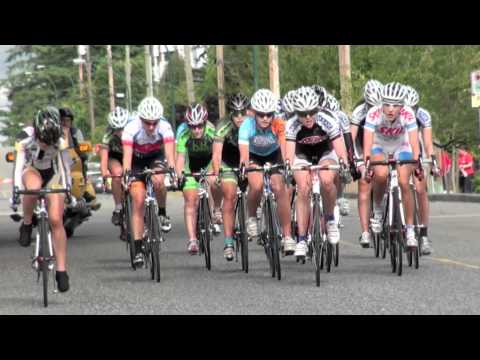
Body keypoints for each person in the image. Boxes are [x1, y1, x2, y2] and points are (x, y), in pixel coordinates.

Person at [11, 107, 72, 292]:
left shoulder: (60, 140)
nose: (46, 145)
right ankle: (27, 222)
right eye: (43, 141)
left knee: (55, 219)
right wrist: (15, 191)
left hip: (51, 173)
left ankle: (61, 271)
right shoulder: (24, 138)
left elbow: (64, 168)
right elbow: (18, 166)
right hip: (32, 169)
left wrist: (67, 188)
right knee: (33, 188)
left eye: (50, 141)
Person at [285, 86, 350, 258]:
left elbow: (339, 147)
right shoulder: (291, 124)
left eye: (312, 112)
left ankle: (330, 220)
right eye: (303, 113)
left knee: (327, 180)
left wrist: (343, 162)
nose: (307, 117)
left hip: (325, 152)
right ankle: (301, 239)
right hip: (301, 154)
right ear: (296, 112)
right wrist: (287, 167)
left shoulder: (327, 119)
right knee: (303, 189)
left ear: (318, 108)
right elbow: (289, 153)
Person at [364, 82, 421, 248]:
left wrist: (416, 162)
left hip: (401, 146)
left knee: (404, 182)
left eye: (395, 105)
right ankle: (378, 210)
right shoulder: (373, 113)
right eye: (387, 104)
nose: (390, 109)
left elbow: (414, 143)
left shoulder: (408, 114)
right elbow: (367, 142)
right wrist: (367, 161)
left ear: (402, 106)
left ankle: (410, 230)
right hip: (379, 146)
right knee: (381, 174)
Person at [238, 89, 295, 254]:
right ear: (254, 113)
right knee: (256, 185)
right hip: (254, 156)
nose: (265, 118)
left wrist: (287, 165)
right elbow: (244, 154)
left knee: (279, 188)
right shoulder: (246, 126)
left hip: (274, 154)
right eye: (261, 114)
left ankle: (287, 236)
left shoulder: (278, 123)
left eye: (269, 114)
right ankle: (251, 217)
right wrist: (245, 166)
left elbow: (284, 149)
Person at [122, 96, 176, 267]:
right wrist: (126, 175)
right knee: (138, 199)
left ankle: (161, 212)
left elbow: (169, 154)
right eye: (147, 123)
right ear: (140, 119)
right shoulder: (131, 128)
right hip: (136, 161)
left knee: (159, 179)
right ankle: (137, 249)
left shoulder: (166, 127)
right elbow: (127, 158)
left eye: (155, 122)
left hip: (155, 157)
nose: (152, 127)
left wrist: (173, 171)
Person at [176, 104, 221, 255]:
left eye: (199, 126)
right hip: (191, 167)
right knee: (190, 200)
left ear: (205, 123)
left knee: (213, 182)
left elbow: (216, 154)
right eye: (192, 126)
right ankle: (192, 240)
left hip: (208, 164)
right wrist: (180, 174)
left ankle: (215, 211)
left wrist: (215, 171)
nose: (196, 130)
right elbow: (181, 158)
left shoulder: (212, 130)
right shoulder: (183, 134)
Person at [212, 93, 249, 261]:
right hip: (228, 161)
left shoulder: (253, 122)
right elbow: (217, 154)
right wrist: (217, 171)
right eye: (236, 113)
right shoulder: (223, 125)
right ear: (231, 113)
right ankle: (228, 242)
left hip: (248, 159)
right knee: (229, 195)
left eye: (243, 112)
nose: (240, 117)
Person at [404, 86, 440, 254]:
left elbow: (427, 142)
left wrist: (432, 160)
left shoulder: (423, 115)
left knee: (420, 189)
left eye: (414, 108)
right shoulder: (393, 113)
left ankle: (424, 234)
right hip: (397, 145)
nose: (411, 111)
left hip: (415, 148)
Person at [350, 79, 384, 247]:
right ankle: (365, 231)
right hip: (363, 146)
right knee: (365, 182)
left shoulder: (390, 110)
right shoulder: (359, 111)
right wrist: (357, 161)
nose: (375, 110)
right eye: (371, 105)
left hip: (383, 146)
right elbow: (351, 139)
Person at [59, 107, 100, 211]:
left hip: (73, 159)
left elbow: (83, 146)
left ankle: (85, 190)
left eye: (67, 120)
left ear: (71, 121)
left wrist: (82, 149)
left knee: (83, 161)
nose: (65, 123)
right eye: (62, 120)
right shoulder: (54, 132)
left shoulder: (75, 132)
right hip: (57, 160)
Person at [99, 107, 130, 234]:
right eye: (117, 129)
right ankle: (118, 207)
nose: (121, 132)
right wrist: (104, 173)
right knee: (117, 173)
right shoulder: (107, 135)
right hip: (115, 156)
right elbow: (104, 158)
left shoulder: (133, 130)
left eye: (123, 128)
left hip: (131, 155)